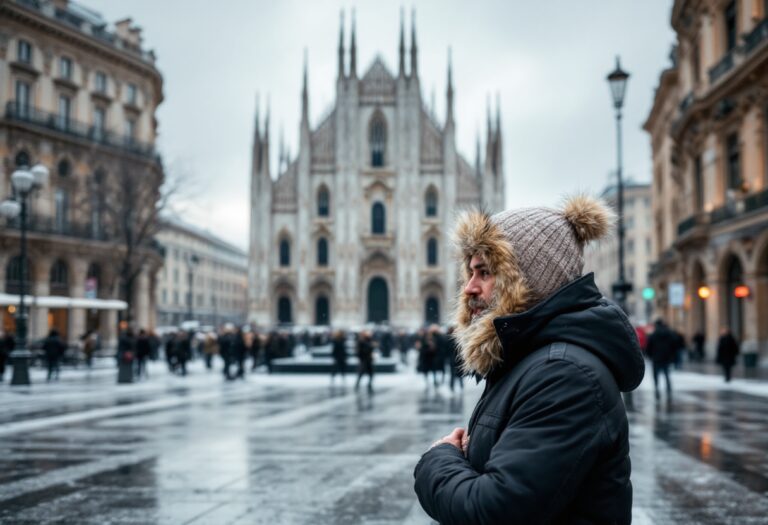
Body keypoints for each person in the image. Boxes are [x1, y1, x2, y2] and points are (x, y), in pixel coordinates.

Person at [413, 195, 645, 524]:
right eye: (469, 272)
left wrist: (437, 460)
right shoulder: (529, 361)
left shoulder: (565, 376)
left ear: (526, 280)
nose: (468, 288)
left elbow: (494, 511)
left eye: (484, 272)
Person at [645, 318, 677, 400]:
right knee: (666, 374)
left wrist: (650, 355)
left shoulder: (654, 334)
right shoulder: (669, 333)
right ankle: (668, 388)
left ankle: (657, 388)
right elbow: (674, 344)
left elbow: (649, 346)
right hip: (666, 357)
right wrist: (672, 355)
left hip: (656, 358)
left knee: (656, 375)